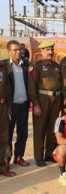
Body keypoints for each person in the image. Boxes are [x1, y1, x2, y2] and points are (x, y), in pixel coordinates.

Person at [28, 40, 62, 166]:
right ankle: (38, 156)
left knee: (52, 128)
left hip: (56, 99)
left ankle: (48, 154)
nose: (50, 52)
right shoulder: (36, 66)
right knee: (40, 128)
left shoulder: (57, 66)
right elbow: (31, 87)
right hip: (42, 99)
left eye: (51, 49)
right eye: (47, 50)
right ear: (41, 51)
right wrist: (35, 104)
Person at [3, 40, 30, 168]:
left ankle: (19, 156)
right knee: (8, 133)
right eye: (15, 50)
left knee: (22, 132)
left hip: (24, 104)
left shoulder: (26, 65)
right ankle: (7, 158)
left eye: (20, 49)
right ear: (9, 51)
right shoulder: (3, 66)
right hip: (10, 106)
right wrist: (7, 106)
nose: (18, 52)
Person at [0, 54, 16, 177]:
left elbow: (7, 88)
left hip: (3, 106)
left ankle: (1, 166)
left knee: (3, 137)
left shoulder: (2, 67)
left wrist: (9, 106)